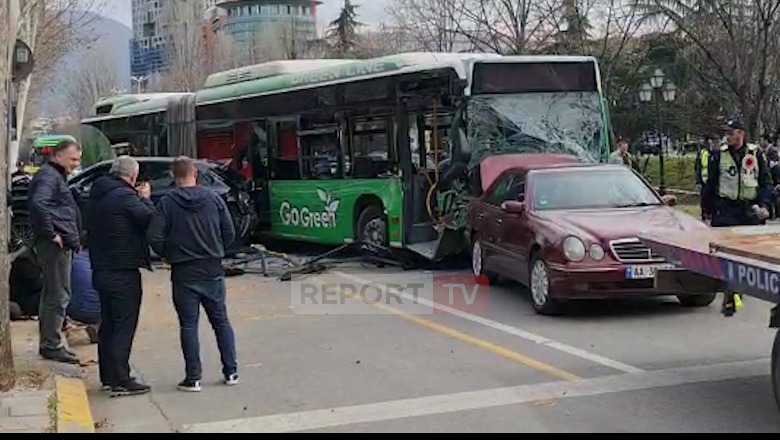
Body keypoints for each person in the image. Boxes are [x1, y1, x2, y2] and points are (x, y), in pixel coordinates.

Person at [148, 156, 238, 393]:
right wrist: (219, 250)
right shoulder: (213, 199)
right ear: (195, 174)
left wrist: (168, 254)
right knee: (221, 321)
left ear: (172, 177)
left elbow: (154, 236)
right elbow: (229, 232)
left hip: (184, 271)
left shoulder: (167, 203)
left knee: (189, 325)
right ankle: (231, 371)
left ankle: (193, 377)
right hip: (212, 268)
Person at [87, 156, 156, 397]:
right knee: (124, 325)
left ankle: (108, 375)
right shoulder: (126, 197)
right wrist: (146, 199)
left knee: (108, 324)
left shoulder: (97, 195)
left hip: (101, 268)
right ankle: (121, 378)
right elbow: (150, 220)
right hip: (122, 269)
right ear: (132, 177)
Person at [703, 118, 773, 316]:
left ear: (741, 133)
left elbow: (765, 182)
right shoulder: (718, 155)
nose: (728, 136)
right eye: (726, 132)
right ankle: (732, 293)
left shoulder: (755, 153)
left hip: (750, 210)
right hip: (727, 210)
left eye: (731, 132)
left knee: (750, 256)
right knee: (730, 255)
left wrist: (765, 205)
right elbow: (711, 185)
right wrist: (707, 210)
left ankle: (737, 290)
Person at [27, 139, 82, 364]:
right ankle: (52, 344)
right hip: (54, 246)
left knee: (53, 293)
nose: (76, 164)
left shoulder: (53, 175)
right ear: (58, 156)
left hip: (57, 243)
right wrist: (52, 234)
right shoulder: (49, 177)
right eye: (73, 159)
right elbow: (39, 204)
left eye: (78, 160)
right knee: (58, 294)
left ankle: (50, 341)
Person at [695, 136, 718, 221]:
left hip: (716, 184)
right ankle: (705, 216)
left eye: (716, 141)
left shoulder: (720, 153)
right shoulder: (703, 153)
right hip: (705, 183)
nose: (714, 143)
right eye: (713, 141)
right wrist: (698, 181)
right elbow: (698, 167)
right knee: (705, 201)